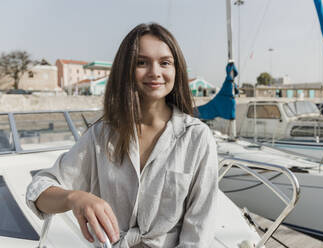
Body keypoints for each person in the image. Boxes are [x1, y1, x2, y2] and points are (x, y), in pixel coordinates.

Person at [26, 23, 218, 248]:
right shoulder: (101, 135)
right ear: (125, 69)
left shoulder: (197, 138)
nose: (155, 72)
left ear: (177, 70)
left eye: (165, 62)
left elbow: (199, 232)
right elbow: (38, 190)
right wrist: (75, 197)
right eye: (141, 62)